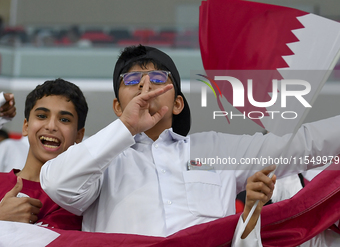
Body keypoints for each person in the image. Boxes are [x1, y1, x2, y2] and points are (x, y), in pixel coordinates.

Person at [40, 45, 340, 246]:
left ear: (178, 103)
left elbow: (301, 145)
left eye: (158, 78)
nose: (146, 86)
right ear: (118, 107)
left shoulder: (215, 150)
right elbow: (58, 185)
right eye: (132, 80)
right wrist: (127, 127)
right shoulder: (100, 160)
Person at [0, 79, 88, 230]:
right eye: (42, 116)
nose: (51, 126)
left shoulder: (80, 200)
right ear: (26, 126)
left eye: (64, 119)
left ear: (79, 135)